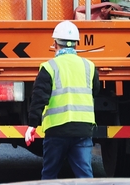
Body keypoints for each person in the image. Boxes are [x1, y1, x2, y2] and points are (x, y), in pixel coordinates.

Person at [25, 20, 98, 180]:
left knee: (50, 174)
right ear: (76, 45)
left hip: (57, 130)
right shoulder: (89, 66)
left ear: (55, 44)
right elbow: (95, 91)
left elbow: (39, 98)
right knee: (85, 175)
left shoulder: (49, 67)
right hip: (83, 129)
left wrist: (32, 125)